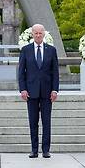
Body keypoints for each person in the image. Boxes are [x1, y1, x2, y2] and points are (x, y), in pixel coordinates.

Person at [18, 23, 59, 158]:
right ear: (32, 34)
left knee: (46, 122)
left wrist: (55, 90)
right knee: (33, 122)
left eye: (40, 33)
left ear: (44, 34)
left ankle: (46, 150)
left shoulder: (51, 50)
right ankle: (34, 150)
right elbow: (21, 72)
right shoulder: (25, 50)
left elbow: (55, 72)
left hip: (47, 92)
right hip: (31, 92)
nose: (38, 35)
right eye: (35, 33)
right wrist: (23, 89)